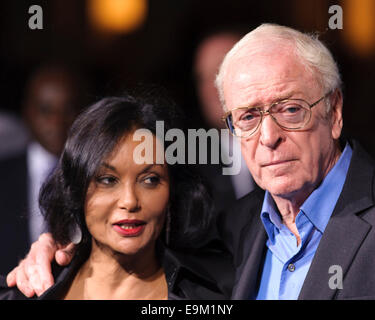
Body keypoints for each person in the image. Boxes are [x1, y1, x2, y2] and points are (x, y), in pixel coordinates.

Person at [9, 23, 375, 300]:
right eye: (248, 117)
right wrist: (58, 252)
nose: (268, 136)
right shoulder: (238, 228)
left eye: (291, 110)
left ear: (336, 111)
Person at [0, 93, 232, 299]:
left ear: (172, 192)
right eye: (108, 180)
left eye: (150, 180)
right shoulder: (25, 291)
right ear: (77, 189)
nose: (130, 201)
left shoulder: (217, 294)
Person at [0, 63, 85, 274]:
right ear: (27, 112)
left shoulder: (95, 176)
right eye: (46, 110)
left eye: (68, 110)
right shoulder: (3, 174)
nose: (57, 121)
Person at [193, 30, 255, 210]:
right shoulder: (189, 169)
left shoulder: (291, 150)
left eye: (220, 75)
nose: (209, 90)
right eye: (202, 78)